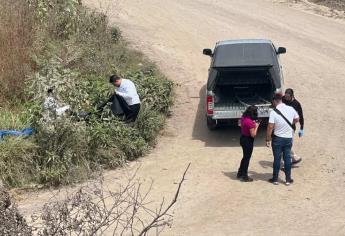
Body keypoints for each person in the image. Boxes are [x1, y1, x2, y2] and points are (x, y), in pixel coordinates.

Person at [266, 94, 299, 186]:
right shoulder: (291, 109)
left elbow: (270, 126)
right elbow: (297, 119)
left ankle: (275, 179)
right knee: (287, 158)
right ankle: (288, 179)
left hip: (277, 139)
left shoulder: (274, 112)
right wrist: (289, 124)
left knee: (277, 158)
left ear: (275, 101)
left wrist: (268, 139)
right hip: (288, 138)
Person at [237, 105, 260, 182]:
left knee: (244, 157)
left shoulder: (243, 118)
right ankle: (244, 176)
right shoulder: (250, 123)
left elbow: (241, 125)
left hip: (242, 138)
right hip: (248, 141)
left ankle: (240, 173)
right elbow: (253, 135)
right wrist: (256, 126)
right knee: (247, 158)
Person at [282, 88, 304, 164]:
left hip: (291, 127)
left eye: (288, 97)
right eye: (285, 96)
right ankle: (294, 158)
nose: (286, 98)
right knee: (285, 145)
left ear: (292, 96)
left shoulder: (297, 104)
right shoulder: (283, 99)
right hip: (282, 125)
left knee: (287, 144)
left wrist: (301, 128)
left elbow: (300, 116)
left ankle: (288, 161)